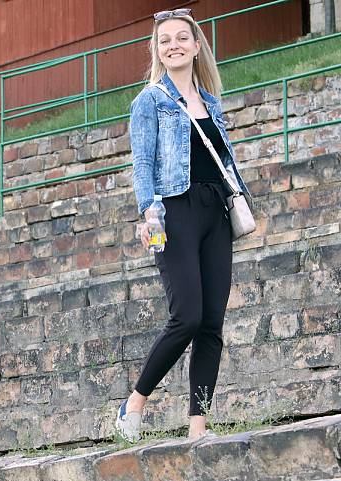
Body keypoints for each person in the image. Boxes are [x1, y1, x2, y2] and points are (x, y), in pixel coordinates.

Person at [115, 8, 252, 442]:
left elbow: (224, 159)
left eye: (181, 38)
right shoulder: (148, 100)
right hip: (174, 211)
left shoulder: (211, 102)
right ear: (157, 50)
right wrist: (148, 214)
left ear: (196, 47)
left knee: (212, 321)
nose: (173, 45)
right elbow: (143, 164)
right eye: (164, 40)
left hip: (216, 211)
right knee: (187, 316)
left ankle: (198, 427)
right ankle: (134, 404)